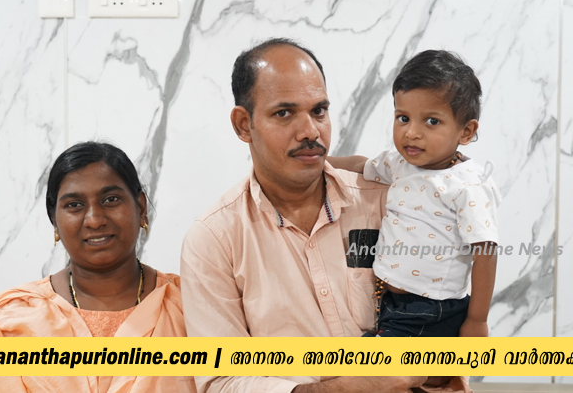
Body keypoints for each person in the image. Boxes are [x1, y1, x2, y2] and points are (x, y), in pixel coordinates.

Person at [180, 38, 470, 393]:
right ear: (243, 124)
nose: (310, 131)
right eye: (284, 113)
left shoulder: (389, 201)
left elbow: (445, 314)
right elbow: (221, 381)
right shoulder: (214, 239)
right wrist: (343, 388)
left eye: (319, 111)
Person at [0, 142, 195, 393]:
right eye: (74, 205)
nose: (94, 220)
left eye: (111, 199)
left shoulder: (189, 309)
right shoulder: (11, 324)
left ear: (141, 207)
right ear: (54, 222)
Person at [329, 50, 500, 339]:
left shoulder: (468, 185)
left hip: (432, 309)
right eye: (403, 118)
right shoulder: (399, 164)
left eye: (431, 121)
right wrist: (321, 163)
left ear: (466, 131)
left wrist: (477, 320)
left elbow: (485, 253)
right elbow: (362, 165)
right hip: (390, 301)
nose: (411, 132)